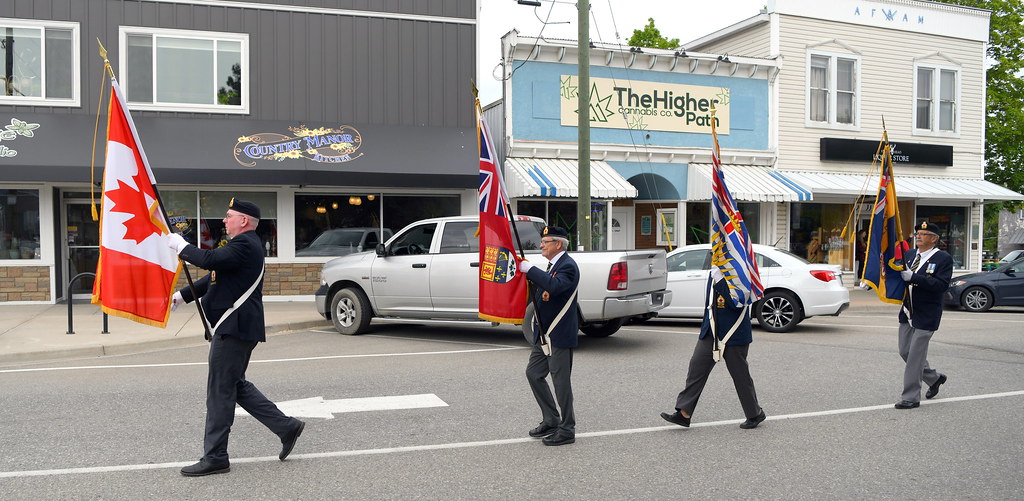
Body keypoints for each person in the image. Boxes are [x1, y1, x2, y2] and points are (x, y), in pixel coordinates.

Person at [167, 198, 305, 476]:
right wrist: (183, 296)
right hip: (237, 328)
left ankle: (216, 456)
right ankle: (286, 426)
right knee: (234, 385)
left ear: (243, 220)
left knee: (219, 391)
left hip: (234, 328)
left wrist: (182, 246)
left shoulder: (245, 245)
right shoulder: (242, 246)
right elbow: (217, 275)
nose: (224, 220)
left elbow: (209, 261)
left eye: (229, 216)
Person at [660, 269, 766, 430]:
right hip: (712, 329)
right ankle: (684, 412)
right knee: (696, 368)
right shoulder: (716, 269)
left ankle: (754, 413)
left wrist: (721, 280)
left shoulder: (739, 269)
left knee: (740, 375)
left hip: (733, 331)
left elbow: (736, 302)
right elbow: (710, 303)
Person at [517, 226, 580, 446]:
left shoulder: (568, 267)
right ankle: (552, 419)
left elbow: (555, 286)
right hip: (543, 335)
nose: (541, 245)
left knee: (561, 383)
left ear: (558, 244)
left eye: (546, 241)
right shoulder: (554, 266)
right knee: (534, 374)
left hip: (558, 335)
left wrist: (531, 270)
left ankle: (567, 429)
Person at [894, 220, 951, 409]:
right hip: (908, 311)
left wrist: (915, 278)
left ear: (934, 239)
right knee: (905, 351)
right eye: (917, 233)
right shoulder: (909, 255)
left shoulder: (942, 258)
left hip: (927, 313)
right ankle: (934, 378)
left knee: (915, 356)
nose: (919, 236)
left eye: (924, 234)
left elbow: (941, 285)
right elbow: (897, 276)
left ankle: (911, 397)